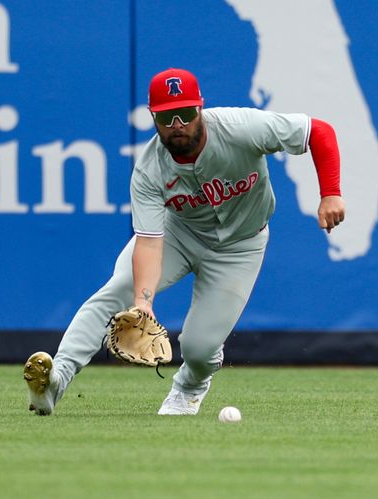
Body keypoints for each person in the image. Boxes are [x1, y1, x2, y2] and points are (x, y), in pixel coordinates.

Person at [23, 67, 344, 416]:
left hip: (240, 245)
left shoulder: (241, 128)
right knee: (119, 291)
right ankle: (57, 378)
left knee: (198, 347)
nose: (178, 124)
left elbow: (318, 131)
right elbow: (148, 241)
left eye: (186, 113)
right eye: (166, 116)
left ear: (200, 108)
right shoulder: (149, 168)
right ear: (153, 117)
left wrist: (330, 193)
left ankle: (190, 385)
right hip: (180, 233)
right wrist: (143, 303)